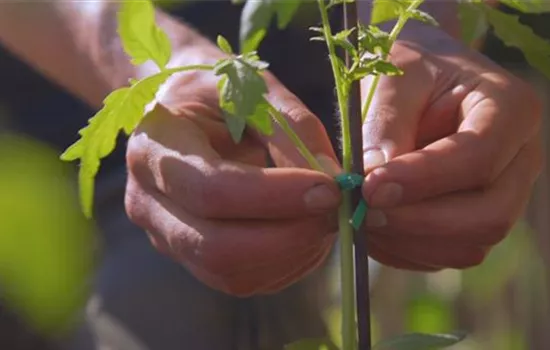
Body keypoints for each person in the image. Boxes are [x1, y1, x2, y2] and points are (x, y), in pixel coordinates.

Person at [0, 1, 542, 349]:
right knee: (166, 305)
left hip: (343, 112)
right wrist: (158, 72)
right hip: (53, 119)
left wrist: (424, 27)